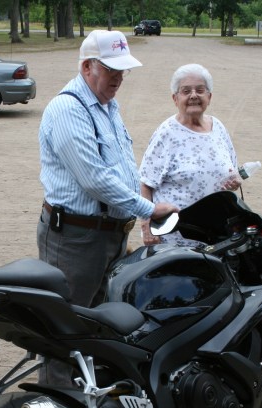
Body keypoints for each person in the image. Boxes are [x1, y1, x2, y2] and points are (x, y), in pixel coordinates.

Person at [37, 29, 179, 311]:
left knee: (102, 320)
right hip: (77, 239)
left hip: (107, 236)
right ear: (86, 67)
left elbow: (122, 166)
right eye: (110, 69)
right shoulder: (68, 109)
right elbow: (94, 179)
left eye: (123, 70)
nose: (118, 77)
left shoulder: (107, 105)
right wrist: (148, 209)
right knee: (70, 323)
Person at [138, 63, 242, 246]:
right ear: (175, 98)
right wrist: (146, 225)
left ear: (209, 97)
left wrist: (235, 181)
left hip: (216, 237)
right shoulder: (167, 133)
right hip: (175, 240)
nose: (194, 95)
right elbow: (145, 183)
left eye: (200, 90)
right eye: (186, 91)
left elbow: (232, 172)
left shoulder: (218, 128)